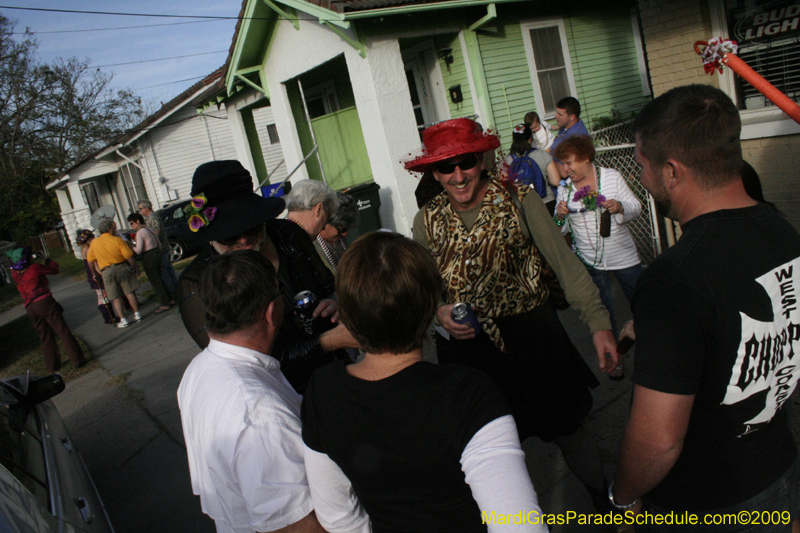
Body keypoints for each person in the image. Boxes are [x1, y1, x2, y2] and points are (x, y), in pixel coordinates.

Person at [610, 84, 800, 531]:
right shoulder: (783, 230)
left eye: (642, 165)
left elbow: (657, 441)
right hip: (780, 468)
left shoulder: (674, 278)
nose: (642, 178)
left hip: (710, 503)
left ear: (672, 171)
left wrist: (622, 496)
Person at [406, 118, 619, 515]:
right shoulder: (426, 220)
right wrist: (438, 311)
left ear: (482, 158)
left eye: (466, 161)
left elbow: (565, 263)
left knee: (569, 430)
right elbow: (425, 286)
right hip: (471, 351)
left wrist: (599, 323)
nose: (458, 175)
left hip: (533, 335)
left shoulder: (519, 198)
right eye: (446, 167)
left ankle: (605, 505)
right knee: (492, 451)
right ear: (433, 172)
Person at [302, 231, 546, 533]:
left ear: (349, 313)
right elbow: (519, 525)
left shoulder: (324, 390)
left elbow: (337, 517)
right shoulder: (466, 394)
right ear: (430, 305)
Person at [178, 250, 353, 533]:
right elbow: (294, 526)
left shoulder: (199, 369)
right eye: (279, 290)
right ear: (271, 312)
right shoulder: (260, 413)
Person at [177, 160, 358, 393]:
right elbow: (246, 363)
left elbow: (328, 287)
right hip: (280, 396)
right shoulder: (196, 283)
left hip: (336, 375)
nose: (243, 240)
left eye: (252, 227)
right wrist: (331, 340)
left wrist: (335, 303)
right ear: (212, 235)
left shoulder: (288, 234)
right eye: (229, 235)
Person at [553, 134, 643, 337]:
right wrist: (559, 215)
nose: (565, 169)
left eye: (569, 163)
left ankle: (654, 341)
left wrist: (620, 206)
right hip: (589, 261)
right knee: (602, 316)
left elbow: (636, 207)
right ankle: (613, 356)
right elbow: (560, 228)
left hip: (623, 257)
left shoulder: (611, 177)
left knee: (643, 303)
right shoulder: (565, 189)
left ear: (585, 157)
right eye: (562, 164)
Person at [6, 246, 86, 373]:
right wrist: (47, 258)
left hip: (29, 306)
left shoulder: (15, 274)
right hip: (44, 301)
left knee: (44, 336)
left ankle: (52, 366)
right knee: (62, 330)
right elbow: (54, 269)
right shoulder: (35, 267)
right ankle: (77, 359)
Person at [86, 219, 142, 328]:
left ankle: (123, 319)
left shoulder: (95, 243)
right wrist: (135, 267)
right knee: (129, 292)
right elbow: (129, 256)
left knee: (115, 297)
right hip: (121, 267)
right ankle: (137, 314)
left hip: (107, 271)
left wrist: (94, 273)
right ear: (109, 229)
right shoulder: (117, 240)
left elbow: (90, 261)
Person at [504, 123, 561, 214]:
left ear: (514, 140)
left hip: (524, 207)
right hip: (547, 202)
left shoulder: (508, 160)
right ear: (531, 138)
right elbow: (556, 181)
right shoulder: (543, 155)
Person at [127, 213, 172, 314]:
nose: (131, 226)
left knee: (156, 281)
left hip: (148, 256)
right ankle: (170, 298)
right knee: (160, 278)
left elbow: (138, 250)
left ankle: (165, 303)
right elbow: (159, 243)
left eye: (132, 223)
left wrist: (130, 245)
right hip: (157, 253)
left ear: (137, 221)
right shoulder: (149, 229)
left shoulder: (140, 233)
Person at [138, 199, 178, 301]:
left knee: (164, 269)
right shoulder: (150, 218)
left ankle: (173, 290)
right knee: (167, 268)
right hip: (162, 246)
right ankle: (176, 287)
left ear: (147, 208)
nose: (140, 211)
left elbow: (157, 230)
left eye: (140, 209)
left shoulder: (153, 216)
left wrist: (153, 242)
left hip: (161, 247)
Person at [76, 228, 117, 325]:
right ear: (89, 239)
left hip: (90, 275)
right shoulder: (89, 249)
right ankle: (111, 317)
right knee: (104, 295)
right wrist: (102, 274)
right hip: (96, 274)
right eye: (92, 237)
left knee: (100, 297)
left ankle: (106, 317)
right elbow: (94, 264)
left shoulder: (83, 250)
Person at [314, 192, 360, 273]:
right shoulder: (314, 247)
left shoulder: (340, 239)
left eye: (347, 229)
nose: (345, 234)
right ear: (324, 222)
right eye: (341, 230)